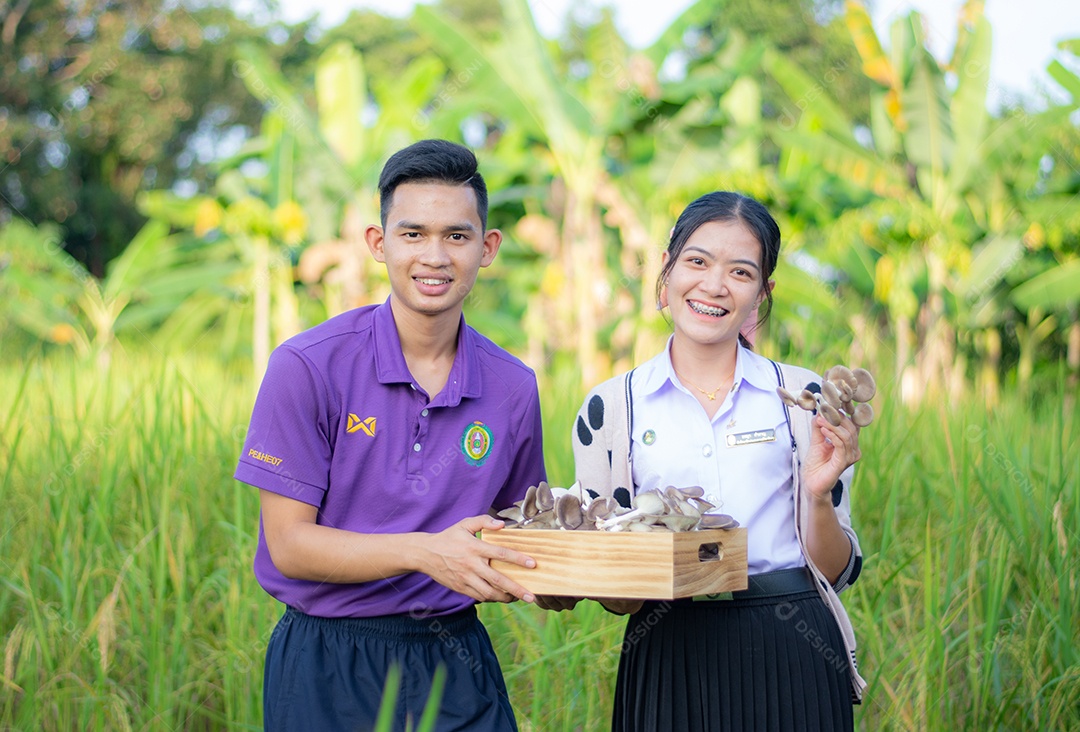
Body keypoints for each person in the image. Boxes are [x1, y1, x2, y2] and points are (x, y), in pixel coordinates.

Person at [234, 139, 545, 731]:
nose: (435, 256)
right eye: (413, 234)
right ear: (379, 245)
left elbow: (520, 531)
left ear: (488, 248)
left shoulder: (512, 386)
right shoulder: (307, 366)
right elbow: (290, 546)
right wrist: (426, 553)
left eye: (457, 236)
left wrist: (610, 568)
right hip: (328, 660)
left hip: (456, 660)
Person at [565, 191, 867, 730]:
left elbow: (835, 571)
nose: (713, 285)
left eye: (741, 271)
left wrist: (818, 495)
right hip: (667, 649)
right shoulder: (609, 409)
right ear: (667, 268)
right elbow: (615, 591)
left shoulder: (807, 398)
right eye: (697, 261)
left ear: (762, 292)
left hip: (790, 649)